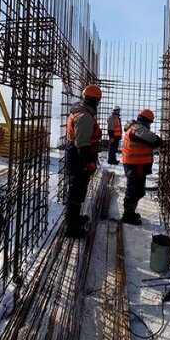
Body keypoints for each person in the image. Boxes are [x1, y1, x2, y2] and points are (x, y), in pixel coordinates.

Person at [63, 84, 103, 238]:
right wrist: (89, 162)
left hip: (76, 154)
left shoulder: (80, 112)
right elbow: (82, 144)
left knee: (78, 189)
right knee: (77, 190)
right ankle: (71, 227)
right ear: (95, 101)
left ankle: (75, 219)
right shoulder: (85, 117)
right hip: (79, 156)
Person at [120, 108, 166, 225]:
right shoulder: (137, 129)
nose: (149, 125)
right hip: (135, 165)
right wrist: (161, 142)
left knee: (138, 191)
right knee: (133, 190)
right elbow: (153, 140)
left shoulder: (135, 127)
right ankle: (128, 215)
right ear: (146, 120)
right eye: (149, 122)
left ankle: (130, 212)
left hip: (135, 164)